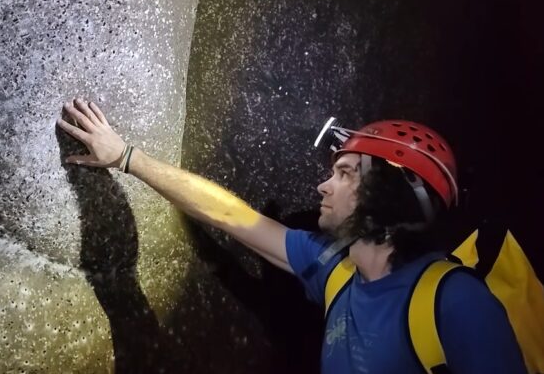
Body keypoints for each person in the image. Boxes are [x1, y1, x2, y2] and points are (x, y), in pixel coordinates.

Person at [56, 98, 526, 373]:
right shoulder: (335, 271)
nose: (324, 185)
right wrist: (125, 157)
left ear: (387, 194)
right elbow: (228, 215)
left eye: (344, 173)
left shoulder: (455, 302)